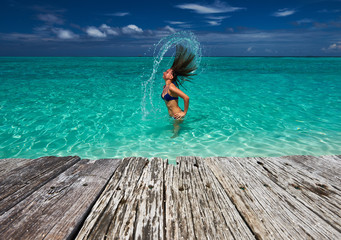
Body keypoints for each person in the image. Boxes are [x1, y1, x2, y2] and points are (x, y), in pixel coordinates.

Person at [161, 45, 197, 137]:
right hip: (172, 117)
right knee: (173, 136)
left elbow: (186, 97)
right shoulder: (165, 86)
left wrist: (184, 112)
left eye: (167, 72)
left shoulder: (171, 87)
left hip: (177, 116)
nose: (164, 72)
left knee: (175, 137)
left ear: (171, 77)